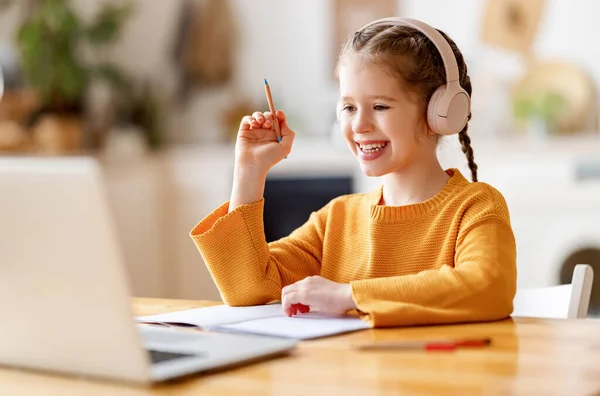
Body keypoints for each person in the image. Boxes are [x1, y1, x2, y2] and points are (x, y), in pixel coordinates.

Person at [190, 17, 517, 327]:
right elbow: (246, 291)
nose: (359, 125)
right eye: (348, 107)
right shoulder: (335, 221)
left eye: (380, 106)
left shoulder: (475, 207)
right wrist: (249, 172)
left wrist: (349, 295)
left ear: (441, 112)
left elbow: (488, 286)